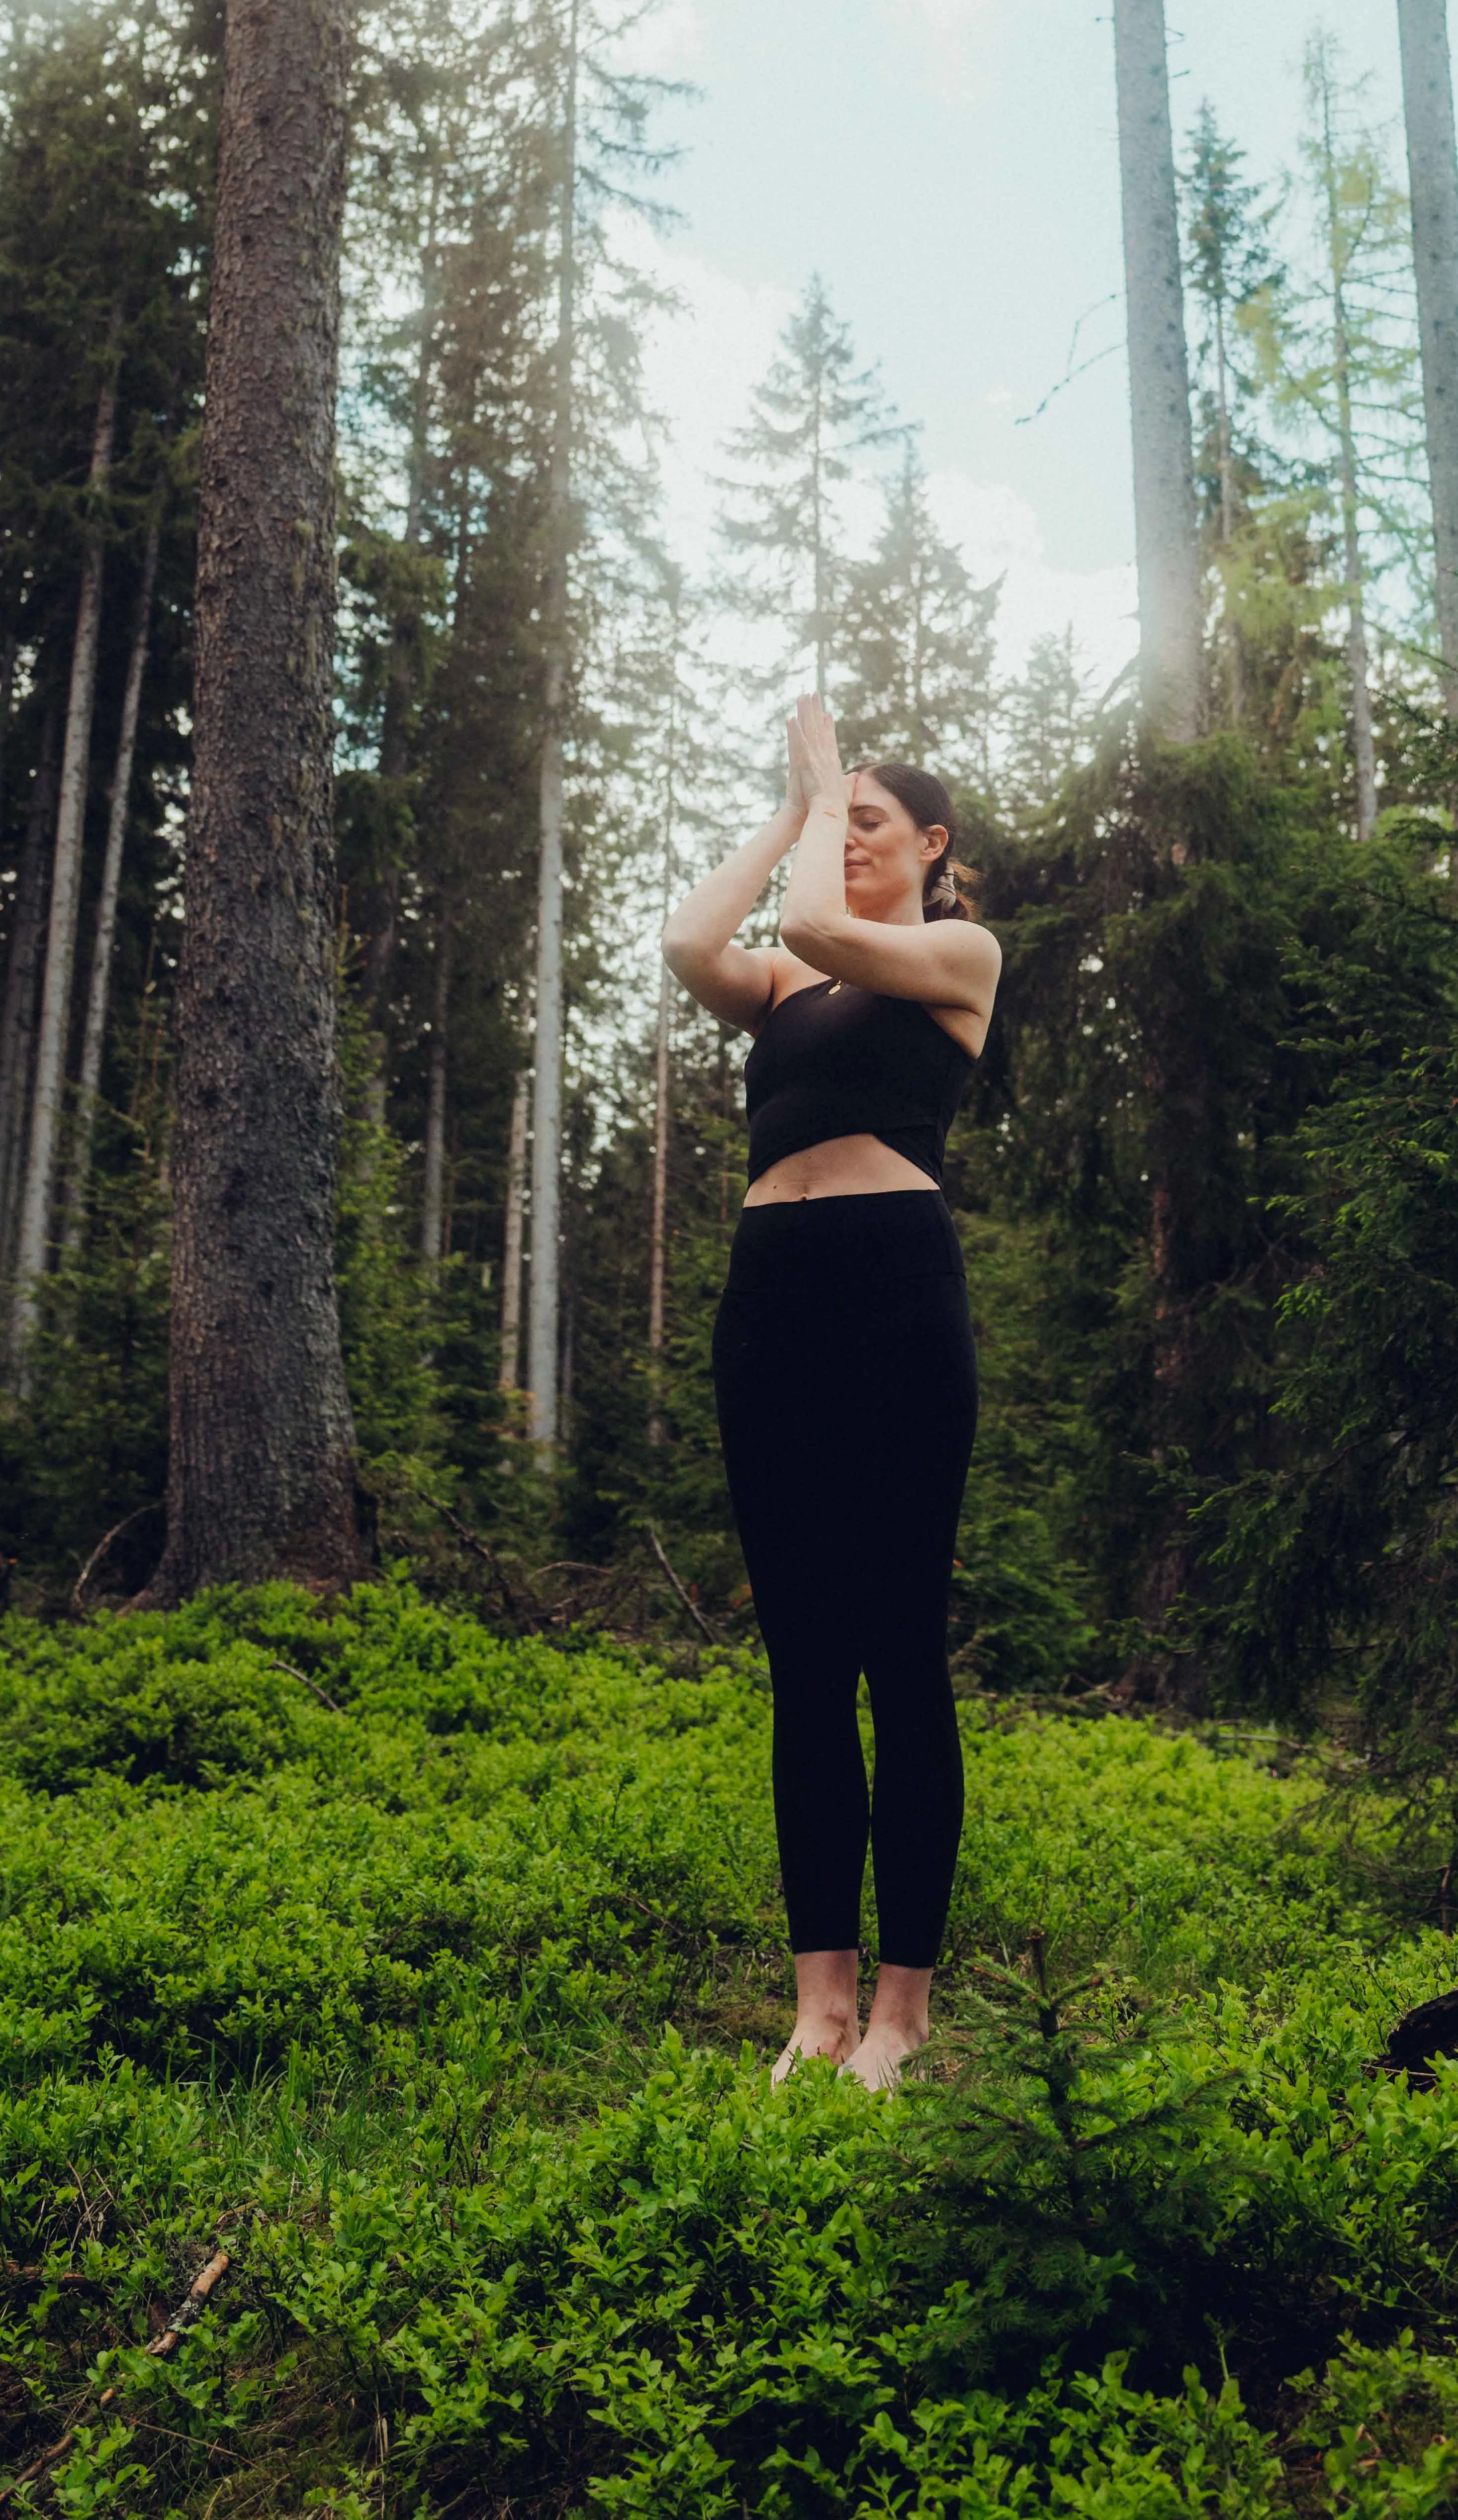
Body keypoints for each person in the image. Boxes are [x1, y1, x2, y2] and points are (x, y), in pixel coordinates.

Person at [662, 693, 1000, 2090]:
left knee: (900, 1655)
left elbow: (809, 925)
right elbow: (693, 941)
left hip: (893, 1286)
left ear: (930, 843)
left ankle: (905, 2016)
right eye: (832, 822)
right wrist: (795, 807)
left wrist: (821, 788)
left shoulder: (952, 953)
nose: (840, 839)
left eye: (868, 822)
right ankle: (819, 2009)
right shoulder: (785, 991)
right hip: (775, 1294)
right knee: (805, 1665)